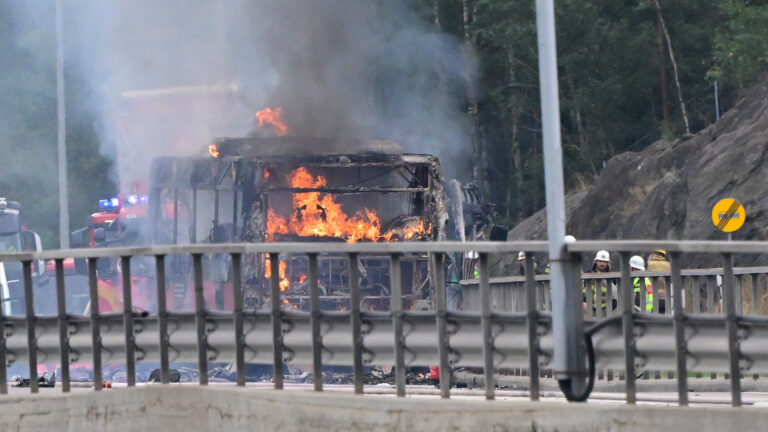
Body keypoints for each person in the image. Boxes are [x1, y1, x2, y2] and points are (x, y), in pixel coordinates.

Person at [583, 250, 617, 315]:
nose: (602, 264)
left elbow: (615, 292)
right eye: (600, 261)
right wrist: (583, 301)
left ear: (608, 263)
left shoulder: (612, 277)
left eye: (604, 262)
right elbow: (583, 289)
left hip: (606, 310)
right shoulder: (588, 274)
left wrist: (614, 303)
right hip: (589, 309)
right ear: (596, 261)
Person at [646, 249, 669, 313]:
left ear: (654, 254)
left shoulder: (649, 264)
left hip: (652, 297)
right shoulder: (668, 265)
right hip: (665, 297)